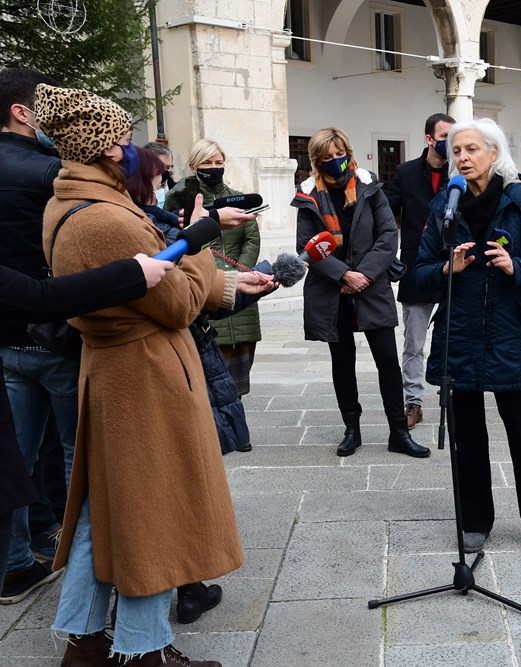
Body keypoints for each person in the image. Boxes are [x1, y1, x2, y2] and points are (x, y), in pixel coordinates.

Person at [35, 83, 273, 666]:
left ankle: (85, 643)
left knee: (106, 512)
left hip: (118, 372)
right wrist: (197, 239)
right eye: (123, 137)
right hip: (142, 378)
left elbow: (168, 290)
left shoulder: (70, 202)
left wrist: (217, 279)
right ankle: (144, 651)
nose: (132, 146)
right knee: (152, 512)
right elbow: (174, 306)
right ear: (109, 149)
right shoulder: (109, 221)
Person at [413, 118, 521, 557]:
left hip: (510, 333)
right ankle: (474, 520)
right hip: (461, 333)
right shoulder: (443, 206)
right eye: (456, 152)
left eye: (470, 150)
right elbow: (418, 273)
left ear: (493, 152)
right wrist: (447, 269)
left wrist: (515, 266)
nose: (462, 158)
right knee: (468, 436)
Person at [0, 255, 175, 594]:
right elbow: (40, 297)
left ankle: (18, 567)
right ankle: (83, 574)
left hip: (11, 344)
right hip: (53, 344)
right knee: (77, 453)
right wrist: (131, 271)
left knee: (26, 456)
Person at [292, 127, 429, 459]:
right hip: (331, 291)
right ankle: (352, 430)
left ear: (348, 153)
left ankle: (399, 431)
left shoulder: (369, 186)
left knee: (387, 362)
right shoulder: (309, 195)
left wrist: (363, 274)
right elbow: (306, 248)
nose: (336, 162)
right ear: (317, 161)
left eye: (340, 155)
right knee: (343, 363)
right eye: (327, 158)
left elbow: (387, 234)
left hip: (371, 287)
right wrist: (343, 274)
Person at [0, 66, 79, 604]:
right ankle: (87, 561)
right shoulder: (50, 171)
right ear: (23, 113)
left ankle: (13, 566)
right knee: (82, 452)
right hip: (56, 332)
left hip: (5, 339)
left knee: (15, 459)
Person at [165, 139, 261, 397]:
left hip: (240, 286)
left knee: (239, 372)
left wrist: (242, 271)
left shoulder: (236, 196)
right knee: (210, 377)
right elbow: (174, 240)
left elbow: (251, 237)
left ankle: (236, 428)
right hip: (205, 287)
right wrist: (214, 273)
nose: (214, 167)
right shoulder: (179, 201)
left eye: (219, 162)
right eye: (207, 162)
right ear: (193, 165)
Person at [386, 112, 455, 429]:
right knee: (413, 343)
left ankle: (453, 396)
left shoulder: (462, 173)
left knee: (455, 337)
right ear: (429, 139)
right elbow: (386, 215)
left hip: (457, 267)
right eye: (444, 137)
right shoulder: (406, 172)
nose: (449, 144)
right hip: (417, 268)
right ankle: (413, 402)